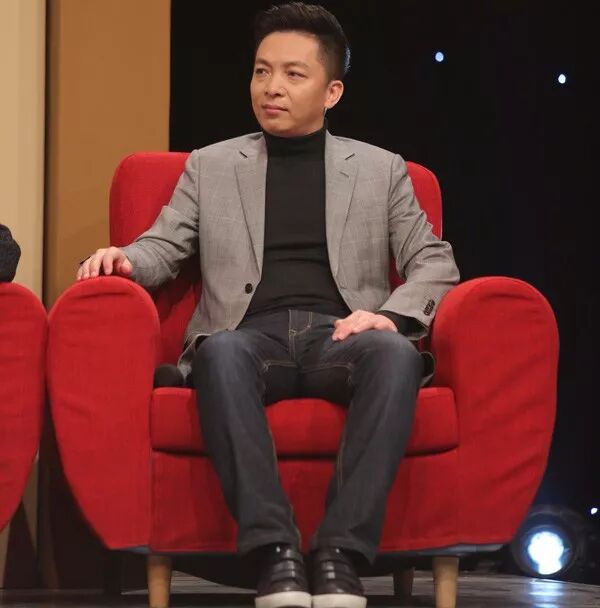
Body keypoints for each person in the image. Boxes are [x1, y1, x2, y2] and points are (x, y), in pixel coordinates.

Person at [77, 3, 459, 607]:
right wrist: (124, 258)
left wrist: (387, 317)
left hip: (342, 335)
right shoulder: (211, 165)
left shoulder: (381, 170)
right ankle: (275, 552)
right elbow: (163, 245)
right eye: (261, 71)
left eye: (292, 74)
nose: (271, 87)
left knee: (395, 356)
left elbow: (435, 263)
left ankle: (339, 554)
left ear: (332, 92)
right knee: (219, 354)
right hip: (249, 336)